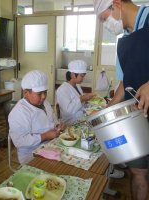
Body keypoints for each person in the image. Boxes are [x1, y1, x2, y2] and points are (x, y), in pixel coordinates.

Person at [93, 0, 149, 199]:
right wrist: (105, 110)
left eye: (104, 19)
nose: (105, 25)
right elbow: (124, 85)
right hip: (138, 118)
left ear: (116, 4)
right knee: (138, 172)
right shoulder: (123, 43)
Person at [8, 70, 65, 165]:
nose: (43, 97)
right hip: (32, 155)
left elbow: (52, 120)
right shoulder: (19, 112)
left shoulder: (45, 104)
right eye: (39, 94)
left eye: (45, 92)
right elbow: (19, 141)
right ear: (26, 93)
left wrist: (58, 125)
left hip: (50, 146)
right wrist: (45, 136)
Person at [56, 60, 94, 124]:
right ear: (72, 75)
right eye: (81, 76)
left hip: (80, 118)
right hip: (70, 122)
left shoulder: (77, 86)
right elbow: (67, 112)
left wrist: (87, 100)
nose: (83, 78)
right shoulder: (62, 90)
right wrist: (81, 99)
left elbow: (82, 104)